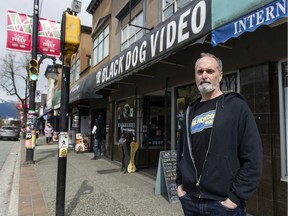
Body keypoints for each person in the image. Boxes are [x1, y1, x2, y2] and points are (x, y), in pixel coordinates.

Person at [176, 53, 263, 216]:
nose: (204, 75)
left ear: (220, 75)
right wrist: (180, 186)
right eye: (200, 71)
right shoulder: (189, 111)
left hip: (223, 205)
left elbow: (253, 158)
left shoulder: (236, 107)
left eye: (210, 71)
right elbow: (181, 152)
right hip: (190, 202)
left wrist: (234, 199)